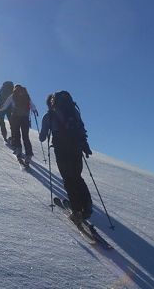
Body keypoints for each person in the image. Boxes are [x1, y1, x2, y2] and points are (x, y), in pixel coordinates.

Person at [39, 91, 93, 224]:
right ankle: (86, 206)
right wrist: (85, 146)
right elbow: (81, 128)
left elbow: (42, 137)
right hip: (76, 147)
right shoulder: (74, 112)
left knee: (68, 179)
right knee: (77, 176)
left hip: (61, 149)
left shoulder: (49, 115)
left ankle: (77, 211)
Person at [0, 84, 37, 163]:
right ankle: (29, 154)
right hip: (25, 118)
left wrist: (0, 109)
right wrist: (34, 110)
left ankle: (18, 149)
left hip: (15, 117)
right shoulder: (26, 95)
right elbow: (32, 105)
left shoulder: (13, 95)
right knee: (25, 136)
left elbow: (5, 105)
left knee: (16, 134)